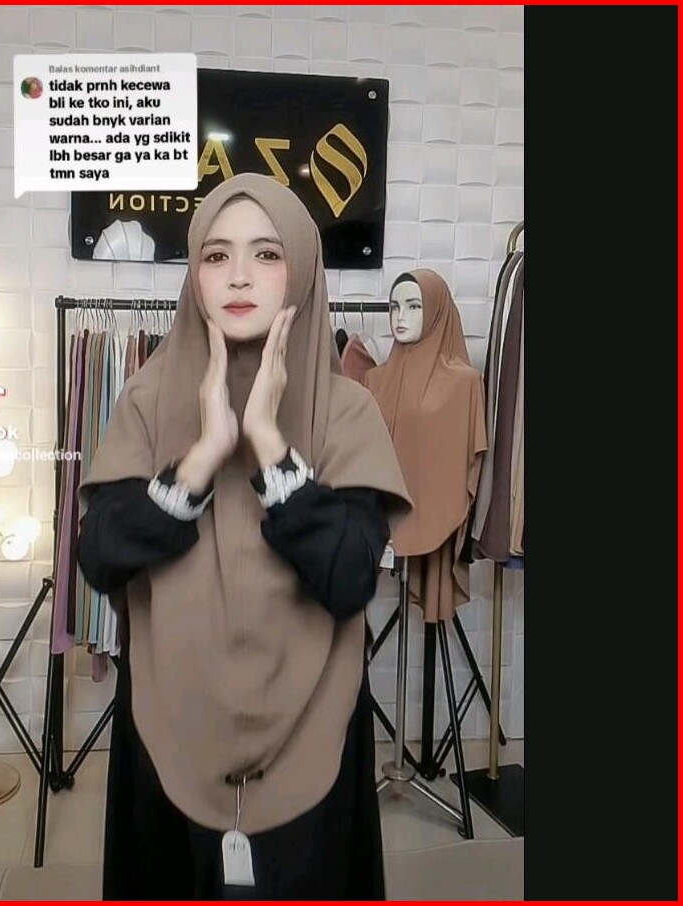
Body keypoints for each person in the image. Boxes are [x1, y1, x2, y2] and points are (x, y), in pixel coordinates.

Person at [76, 173, 413, 901]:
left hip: (314, 731)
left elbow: (349, 577)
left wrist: (267, 443)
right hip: (167, 729)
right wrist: (201, 457)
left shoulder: (346, 411)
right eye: (215, 255)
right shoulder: (147, 398)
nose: (237, 276)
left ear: (302, 268)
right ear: (194, 274)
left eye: (265, 254)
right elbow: (99, 557)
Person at [363, 270, 487, 622]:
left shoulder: (464, 383)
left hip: (436, 517)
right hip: (384, 517)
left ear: (436, 311)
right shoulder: (374, 379)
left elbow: (468, 462)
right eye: (394, 307)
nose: (400, 317)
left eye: (414, 306)